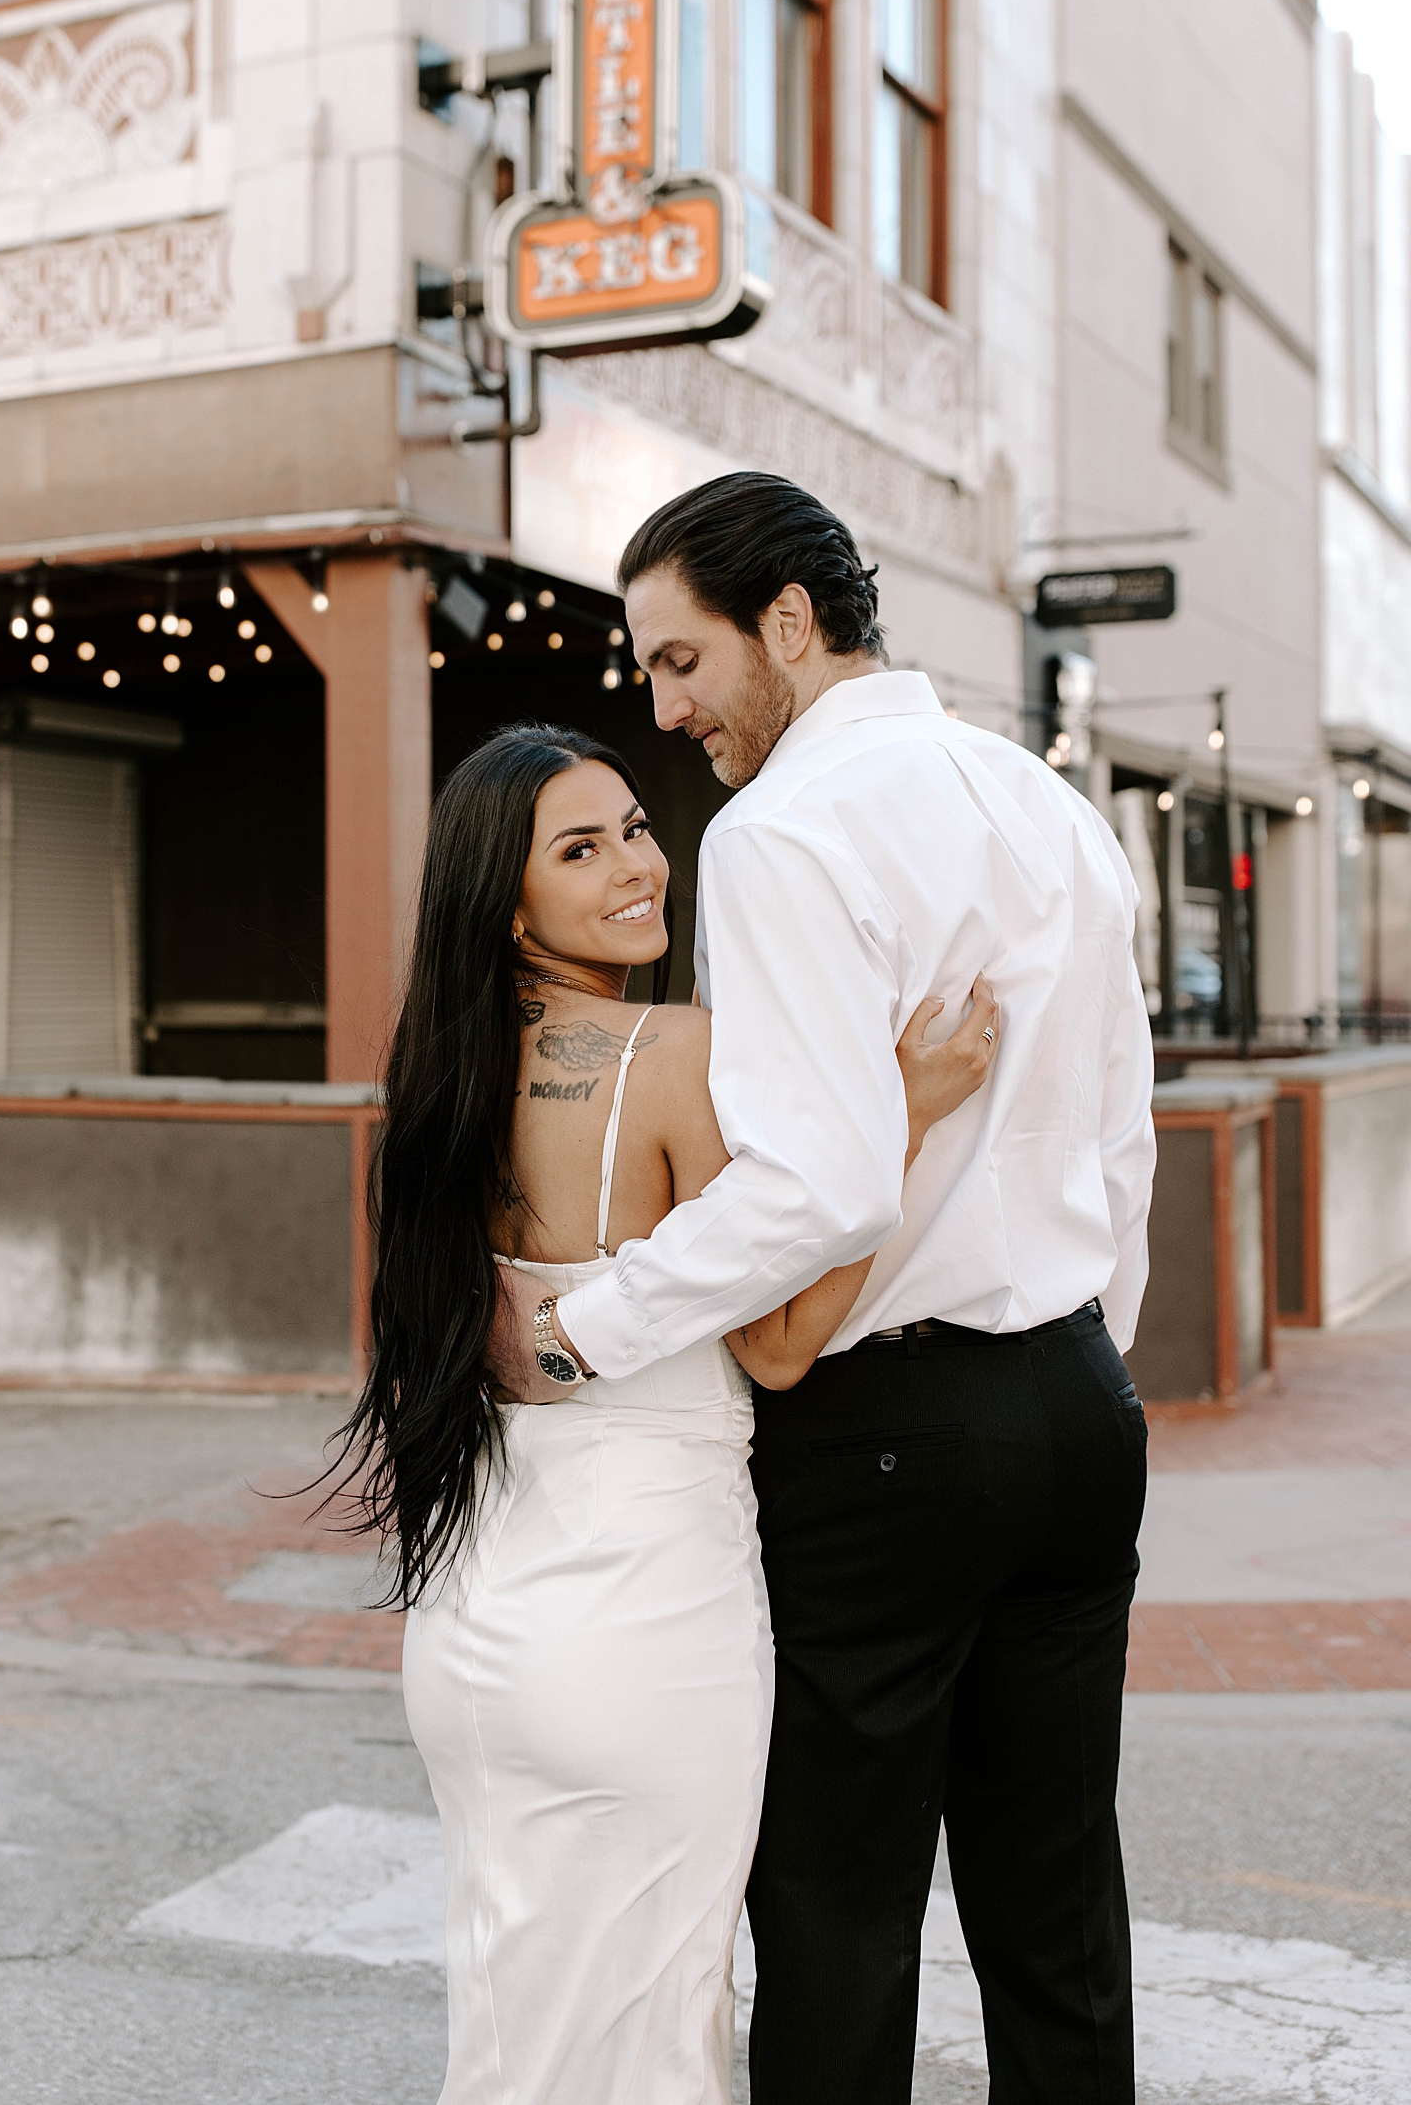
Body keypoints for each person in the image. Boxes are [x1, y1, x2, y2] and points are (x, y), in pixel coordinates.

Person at [495, 474, 1157, 2105]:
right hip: (1079, 1405)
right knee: (1059, 1912)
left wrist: (585, 1326)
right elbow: (1121, 1137)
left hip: (889, 1434)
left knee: (839, 1918)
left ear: (787, 620)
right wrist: (1082, 1359)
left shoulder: (782, 830)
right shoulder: (1050, 806)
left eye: (680, 660)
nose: (667, 710)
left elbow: (821, 1184)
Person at [330, 721, 995, 2105]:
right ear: (510, 903)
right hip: (643, 1620)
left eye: (635, 827)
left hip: (474, 1625)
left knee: (517, 2017)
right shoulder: (679, 1054)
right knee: (650, 2019)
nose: (639, 866)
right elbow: (783, 1341)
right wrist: (903, 1115)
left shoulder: (441, 1081)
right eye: (581, 850)